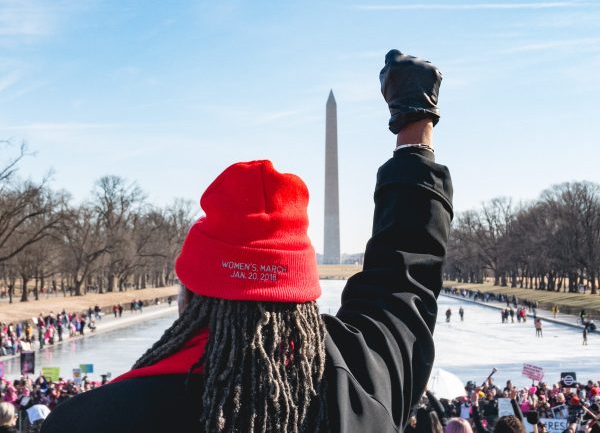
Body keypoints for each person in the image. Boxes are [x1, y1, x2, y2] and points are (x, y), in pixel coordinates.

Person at [42, 49, 452, 432]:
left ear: (186, 297)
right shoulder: (362, 390)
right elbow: (404, 282)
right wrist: (414, 129)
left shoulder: (86, 420)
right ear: (301, 299)